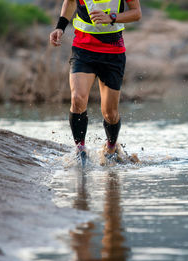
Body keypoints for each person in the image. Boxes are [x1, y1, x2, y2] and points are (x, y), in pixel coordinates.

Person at [49, 0, 141, 163]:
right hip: (83, 51)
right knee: (77, 99)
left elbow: (136, 13)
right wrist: (60, 27)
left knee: (110, 113)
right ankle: (80, 151)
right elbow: (70, 2)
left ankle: (111, 148)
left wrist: (112, 17)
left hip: (113, 53)